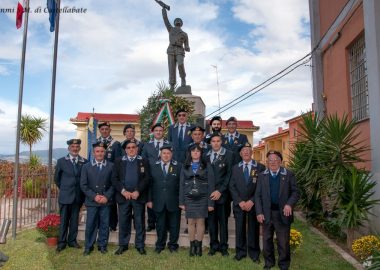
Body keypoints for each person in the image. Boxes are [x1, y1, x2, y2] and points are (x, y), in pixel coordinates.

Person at [255, 150, 300, 270]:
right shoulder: (262, 175)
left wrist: (289, 204)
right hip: (266, 214)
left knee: (283, 242)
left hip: (283, 214)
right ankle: (269, 263)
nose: (273, 162)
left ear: (280, 161)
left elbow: (295, 192)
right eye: (270, 160)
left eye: (276, 160)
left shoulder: (289, 174)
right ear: (267, 162)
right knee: (266, 240)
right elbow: (257, 196)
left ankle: (284, 265)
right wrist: (259, 212)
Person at [112, 139, 150, 255]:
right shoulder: (118, 161)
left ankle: (140, 245)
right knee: (123, 222)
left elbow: (147, 178)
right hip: (124, 196)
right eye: (128, 148)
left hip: (138, 196)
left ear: (137, 149)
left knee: (139, 222)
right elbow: (114, 179)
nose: (131, 149)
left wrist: (138, 191)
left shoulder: (143, 160)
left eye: (133, 147)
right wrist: (123, 191)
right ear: (125, 150)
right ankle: (123, 245)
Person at [229, 142, 265, 263]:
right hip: (239, 205)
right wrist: (239, 201)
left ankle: (254, 254)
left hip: (253, 205)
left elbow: (262, 187)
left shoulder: (260, 167)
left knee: (253, 229)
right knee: (239, 229)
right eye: (243, 150)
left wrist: (252, 201)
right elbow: (231, 186)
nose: (246, 152)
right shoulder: (235, 167)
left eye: (248, 150)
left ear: (252, 152)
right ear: (240, 153)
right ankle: (240, 252)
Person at [179, 144, 215, 256]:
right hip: (188, 197)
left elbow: (211, 184)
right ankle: (192, 247)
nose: (195, 153)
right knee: (190, 223)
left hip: (203, 197)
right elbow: (181, 185)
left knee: (200, 222)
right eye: (193, 151)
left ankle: (198, 247)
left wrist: (210, 202)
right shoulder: (185, 166)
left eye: (198, 151)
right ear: (190, 153)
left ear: (201, 153)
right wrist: (181, 201)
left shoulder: (206, 165)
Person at [80, 142, 114, 256]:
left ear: (105, 153)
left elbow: (114, 184)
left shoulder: (111, 166)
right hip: (92, 201)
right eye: (97, 151)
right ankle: (88, 246)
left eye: (102, 151)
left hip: (105, 201)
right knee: (91, 224)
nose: (100, 153)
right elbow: (83, 185)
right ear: (93, 153)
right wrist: (94, 196)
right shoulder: (86, 167)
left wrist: (106, 196)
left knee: (105, 224)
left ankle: (102, 245)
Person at [147, 145, 181, 253]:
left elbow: (182, 185)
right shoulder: (153, 166)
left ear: (172, 155)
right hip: (158, 201)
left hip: (174, 201)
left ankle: (173, 245)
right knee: (160, 225)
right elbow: (149, 185)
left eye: (168, 153)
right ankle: (160, 245)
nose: (166, 155)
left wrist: (182, 201)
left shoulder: (179, 166)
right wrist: (149, 200)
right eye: (164, 153)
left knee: (174, 225)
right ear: (160, 155)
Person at [55, 139, 88, 252]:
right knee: (63, 220)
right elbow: (57, 179)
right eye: (73, 146)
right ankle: (61, 242)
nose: (75, 148)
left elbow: (85, 179)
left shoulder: (84, 162)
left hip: (77, 197)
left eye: (77, 146)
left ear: (79, 148)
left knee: (74, 220)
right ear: (69, 148)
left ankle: (72, 241)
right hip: (65, 196)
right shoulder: (61, 161)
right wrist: (65, 189)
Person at [205, 132, 234, 256]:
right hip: (209, 195)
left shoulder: (229, 154)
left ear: (221, 142)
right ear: (210, 143)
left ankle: (223, 247)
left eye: (218, 141)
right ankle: (213, 245)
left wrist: (220, 191)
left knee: (223, 222)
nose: (216, 143)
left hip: (222, 195)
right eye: (213, 141)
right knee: (211, 222)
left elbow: (229, 175)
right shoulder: (205, 155)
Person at [142, 123, 171, 232]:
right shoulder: (147, 145)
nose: (158, 132)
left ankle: (165, 223)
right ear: (153, 132)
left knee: (164, 198)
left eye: (160, 130)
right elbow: (143, 160)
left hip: (165, 174)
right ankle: (151, 222)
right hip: (151, 175)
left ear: (163, 132)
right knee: (151, 197)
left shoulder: (169, 144)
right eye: (156, 130)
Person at [97, 121, 122, 231]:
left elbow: (118, 161)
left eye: (106, 129)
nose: (104, 131)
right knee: (98, 198)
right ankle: (99, 223)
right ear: (100, 130)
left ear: (110, 130)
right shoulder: (96, 142)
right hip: (98, 174)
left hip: (111, 175)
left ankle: (112, 224)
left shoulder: (115, 143)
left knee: (111, 200)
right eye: (102, 129)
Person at [161, 7, 190, 90]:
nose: (178, 21)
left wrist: (187, 48)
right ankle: (172, 85)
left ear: (181, 23)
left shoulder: (184, 34)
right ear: (174, 23)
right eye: (176, 20)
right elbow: (165, 19)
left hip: (180, 50)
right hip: (171, 49)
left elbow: (187, 45)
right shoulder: (170, 29)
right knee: (171, 68)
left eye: (179, 20)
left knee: (180, 64)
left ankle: (183, 79)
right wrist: (164, 10)